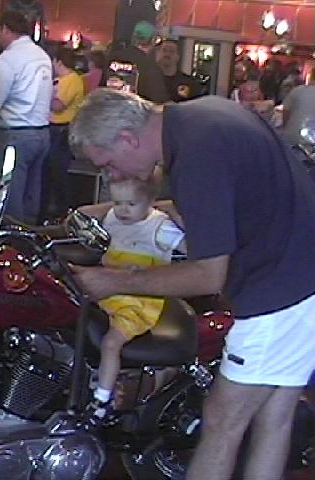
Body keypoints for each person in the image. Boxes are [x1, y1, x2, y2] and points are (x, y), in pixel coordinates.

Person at [68, 88, 315, 480]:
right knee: (274, 416)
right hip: (300, 275)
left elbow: (208, 275)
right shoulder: (199, 116)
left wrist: (114, 280)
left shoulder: (197, 156)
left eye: (109, 164)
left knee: (223, 419)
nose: (112, 175)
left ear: (128, 138)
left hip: (280, 292)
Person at [88, 175, 185, 420]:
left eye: (131, 204)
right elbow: (80, 216)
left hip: (138, 300)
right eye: (117, 202)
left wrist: (174, 213)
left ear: (151, 200)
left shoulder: (160, 227)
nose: (122, 210)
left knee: (111, 343)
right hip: (106, 291)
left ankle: (101, 400)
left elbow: (195, 251)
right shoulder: (112, 217)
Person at [0, 10, 52, 224]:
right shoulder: (42, 56)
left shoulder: (9, 59)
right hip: (41, 132)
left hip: (14, 134)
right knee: (31, 195)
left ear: (5, 29)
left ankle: (10, 240)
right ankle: (29, 235)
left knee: (9, 199)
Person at [42, 47, 84, 220]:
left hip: (62, 131)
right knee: (48, 172)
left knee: (58, 172)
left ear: (58, 61)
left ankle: (62, 211)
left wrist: (43, 94)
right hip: (51, 128)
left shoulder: (73, 80)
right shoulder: (58, 80)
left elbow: (58, 106)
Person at [108, 21, 169, 103]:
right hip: (134, 110)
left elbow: (100, 90)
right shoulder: (150, 66)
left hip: (108, 108)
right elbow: (159, 101)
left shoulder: (111, 58)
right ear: (152, 40)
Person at [282, 67, 315, 146]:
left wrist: (286, 128)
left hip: (291, 136)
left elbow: (285, 112)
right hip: (311, 140)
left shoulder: (297, 90)